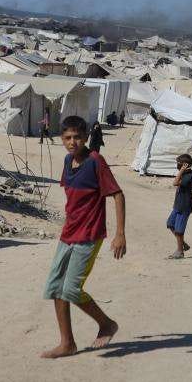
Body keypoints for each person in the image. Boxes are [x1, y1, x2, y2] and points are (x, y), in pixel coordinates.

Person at [40, 115, 126, 358]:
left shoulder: (96, 161)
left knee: (71, 289)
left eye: (77, 137)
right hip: (68, 234)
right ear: (61, 139)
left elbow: (118, 195)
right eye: (67, 138)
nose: (72, 142)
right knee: (55, 287)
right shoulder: (68, 162)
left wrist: (120, 234)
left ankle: (107, 324)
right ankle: (67, 343)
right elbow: (73, 200)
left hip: (89, 235)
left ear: (86, 137)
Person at [166, 154, 192, 259]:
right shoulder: (184, 174)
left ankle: (180, 252)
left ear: (185, 165)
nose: (177, 165)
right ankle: (183, 244)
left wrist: (181, 170)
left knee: (179, 230)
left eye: (179, 164)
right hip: (177, 206)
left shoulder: (189, 176)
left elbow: (175, 183)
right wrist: (181, 171)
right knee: (170, 224)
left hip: (184, 207)